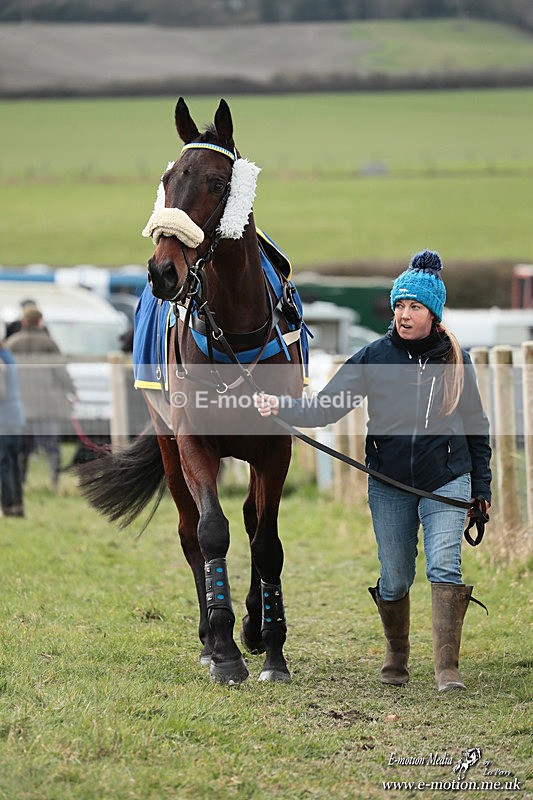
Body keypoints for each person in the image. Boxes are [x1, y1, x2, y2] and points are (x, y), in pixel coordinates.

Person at [254, 250, 492, 693]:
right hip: (389, 483)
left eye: (414, 307)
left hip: (447, 480)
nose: (404, 314)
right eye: (399, 305)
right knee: (397, 575)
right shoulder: (373, 357)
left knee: (445, 567)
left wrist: (482, 488)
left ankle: (447, 669)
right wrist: (282, 407)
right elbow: (325, 408)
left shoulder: (456, 361)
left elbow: (477, 428)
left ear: (433, 314)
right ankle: (397, 655)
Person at [5, 306, 76, 489]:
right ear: (40, 321)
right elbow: (60, 371)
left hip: (22, 404)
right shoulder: (49, 343)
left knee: (23, 448)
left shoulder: (11, 343)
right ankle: (54, 481)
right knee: (51, 445)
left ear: (23, 321)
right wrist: (72, 390)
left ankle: (21, 483)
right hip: (47, 403)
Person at [0, 320, 26, 517]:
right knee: (13, 463)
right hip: (14, 416)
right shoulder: (7, 355)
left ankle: (8, 507)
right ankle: (17, 507)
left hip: (4, 417)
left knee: (4, 463)